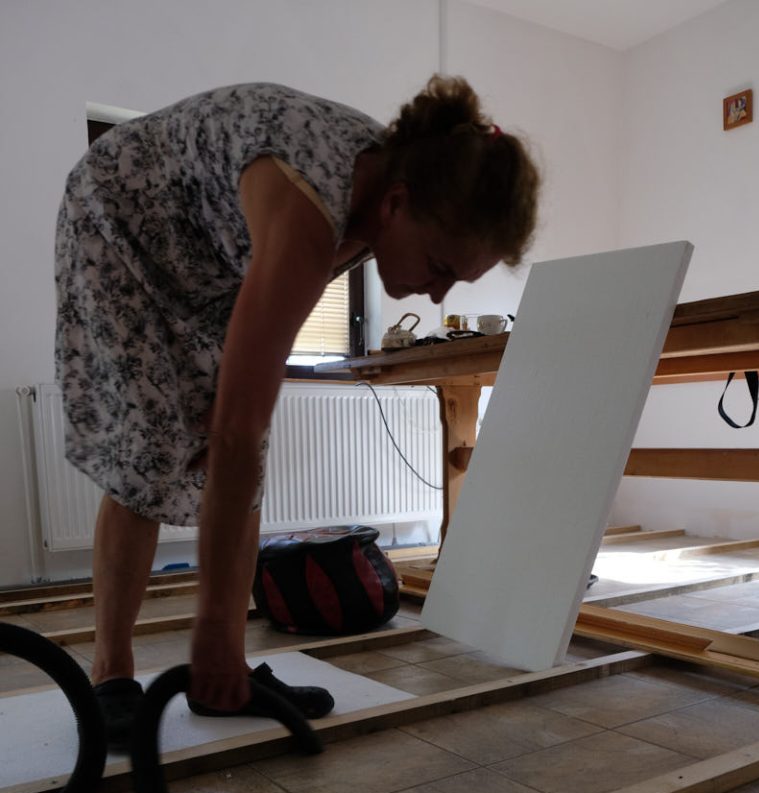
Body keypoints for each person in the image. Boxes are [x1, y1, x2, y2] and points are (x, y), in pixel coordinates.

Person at [55, 75, 540, 750]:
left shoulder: (384, 191)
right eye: (438, 267)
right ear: (397, 205)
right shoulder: (311, 206)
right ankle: (111, 677)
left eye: (455, 282)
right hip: (117, 216)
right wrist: (216, 633)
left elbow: (239, 429)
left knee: (240, 442)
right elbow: (234, 429)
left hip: (207, 252)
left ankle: (218, 676)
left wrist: (226, 408)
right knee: (149, 449)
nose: (435, 296)